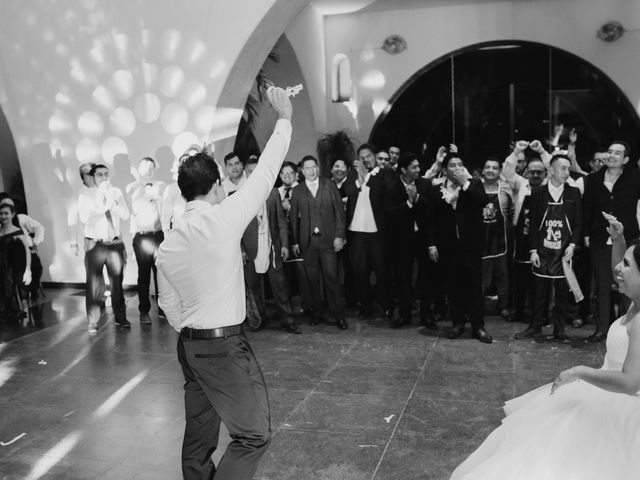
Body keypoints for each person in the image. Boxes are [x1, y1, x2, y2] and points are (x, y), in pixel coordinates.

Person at [157, 87, 292, 480]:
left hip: (190, 346)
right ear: (217, 186)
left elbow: (170, 307)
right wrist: (284, 118)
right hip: (222, 347)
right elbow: (266, 173)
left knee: (200, 436)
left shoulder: (168, 245)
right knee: (253, 435)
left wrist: (194, 330)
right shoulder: (223, 218)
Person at [450, 216, 640, 480]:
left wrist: (582, 371)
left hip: (623, 407)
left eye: (627, 264)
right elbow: (618, 274)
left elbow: (631, 382)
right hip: (605, 391)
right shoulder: (635, 302)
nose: (618, 267)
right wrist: (618, 239)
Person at [426, 152, 493, 343]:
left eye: (460, 164)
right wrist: (432, 244)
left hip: (471, 245)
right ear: (445, 170)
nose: (457, 168)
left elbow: (483, 201)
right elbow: (430, 220)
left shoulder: (474, 184)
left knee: (474, 286)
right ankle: (457, 323)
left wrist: (465, 183)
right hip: (448, 246)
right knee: (453, 286)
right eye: (453, 165)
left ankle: (478, 326)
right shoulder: (436, 189)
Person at [515, 153, 582, 342]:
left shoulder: (573, 193)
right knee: (539, 293)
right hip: (543, 250)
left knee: (562, 293)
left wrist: (573, 245)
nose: (567, 172)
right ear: (551, 170)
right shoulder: (537, 193)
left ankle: (559, 330)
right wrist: (533, 250)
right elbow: (534, 224)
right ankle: (534, 326)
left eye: (569, 168)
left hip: (563, 251)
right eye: (563, 168)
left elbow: (578, 223)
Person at [582, 140, 640, 343]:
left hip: (628, 238)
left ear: (625, 159)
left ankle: (629, 329)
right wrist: (586, 234)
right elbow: (587, 209)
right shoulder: (593, 179)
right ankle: (602, 329)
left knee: (628, 283)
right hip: (599, 238)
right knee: (602, 285)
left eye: (618, 153)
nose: (612, 155)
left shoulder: (635, 178)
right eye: (610, 151)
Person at [241, 157, 300, 334]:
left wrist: (283, 244)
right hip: (251, 248)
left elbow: (281, 221)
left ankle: (287, 320)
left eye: (256, 170)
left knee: (280, 285)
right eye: (250, 171)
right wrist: (242, 250)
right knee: (253, 287)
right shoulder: (240, 195)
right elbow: (236, 228)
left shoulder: (272, 192)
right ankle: (258, 319)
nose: (254, 174)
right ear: (246, 173)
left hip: (271, 246)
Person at [290, 155, 348, 329]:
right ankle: (317, 313)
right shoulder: (298, 190)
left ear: (317, 167)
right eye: (307, 168)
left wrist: (339, 235)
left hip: (328, 240)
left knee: (332, 277)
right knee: (312, 280)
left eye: (314, 166)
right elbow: (293, 219)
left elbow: (339, 212)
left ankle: (339, 315)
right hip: (308, 243)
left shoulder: (329, 185)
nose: (311, 170)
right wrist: (294, 242)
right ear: (302, 171)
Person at [78, 164, 130, 333]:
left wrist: (113, 202)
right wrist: (105, 204)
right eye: (100, 174)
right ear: (92, 177)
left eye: (106, 174)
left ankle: (120, 318)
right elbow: (85, 217)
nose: (104, 177)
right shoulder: (85, 195)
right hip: (96, 244)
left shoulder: (115, 192)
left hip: (114, 243)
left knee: (117, 283)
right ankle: (93, 321)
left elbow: (125, 214)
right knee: (94, 285)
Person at [384, 152, 431, 328]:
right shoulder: (392, 187)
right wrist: (409, 203)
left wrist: (417, 198)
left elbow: (430, 208)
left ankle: (426, 316)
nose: (418, 170)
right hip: (402, 240)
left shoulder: (425, 184)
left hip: (423, 238)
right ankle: (404, 315)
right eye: (414, 167)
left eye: (419, 166)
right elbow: (388, 213)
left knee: (426, 277)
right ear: (403, 169)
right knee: (403, 278)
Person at [344, 143, 392, 320]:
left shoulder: (384, 174)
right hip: (357, 231)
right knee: (360, 271)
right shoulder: (353, 174)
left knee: (382, 270)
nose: (365, 159)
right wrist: (359, 177)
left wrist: (367, 177)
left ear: (374, 157)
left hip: (376, 232)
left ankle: (386, 305)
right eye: (361, 156)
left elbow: (383, 193)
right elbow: (349, 190)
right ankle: (365, 307)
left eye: (368, 156)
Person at [127, 157, 166, 324]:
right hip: (142, 236)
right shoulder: (132, 187)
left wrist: (157, 197)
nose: (148, 172)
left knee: (161, 274)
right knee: (143, 275)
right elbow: (133, 210)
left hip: (158, 234)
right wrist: (145, 194)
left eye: (152, 168)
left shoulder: (161, 186)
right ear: (139, 169)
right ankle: (144, 311)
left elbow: (165, 209)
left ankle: (163, 308)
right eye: (145, 168)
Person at [480, 157, 513, 319]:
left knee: (502, 275)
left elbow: (513, 212)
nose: (491, 170)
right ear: (483, 170)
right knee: (481, 277)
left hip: (501, 240)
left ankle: (503, 305)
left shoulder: (506, 189)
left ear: (499, 171)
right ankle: (476, 306)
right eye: (488, 167)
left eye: (494, 167)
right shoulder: (475, 187)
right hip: (480, 239)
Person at [0, 201, 31, 318]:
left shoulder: (17, 231)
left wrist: (28, 270)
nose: (3, 216)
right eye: (1, 214)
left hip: (13, 269)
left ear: (12, 214)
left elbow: (27, 251)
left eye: (6, 213)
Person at [161, 155, 187, 236]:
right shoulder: (171, 188)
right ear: (179, 166)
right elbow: (166, 213)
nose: (186, 164)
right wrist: (166, 233)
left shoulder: (200, 185)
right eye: (183, 162)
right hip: (179, 232)